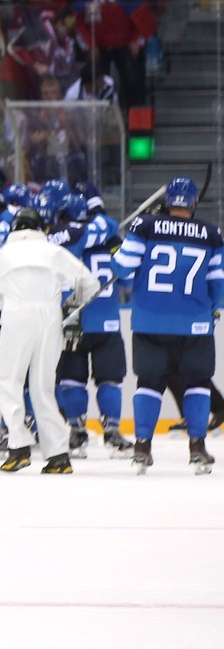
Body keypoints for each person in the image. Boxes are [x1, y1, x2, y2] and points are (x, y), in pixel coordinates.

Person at [112, 177, 222, 475]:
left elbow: (122, 268)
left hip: (150, 321)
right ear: (194, 203)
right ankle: (197, 447)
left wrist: (116, 252)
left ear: (169, 201)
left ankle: (142, 447)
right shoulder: (212, 233)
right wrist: (211, 312)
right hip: (195, 324)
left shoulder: (145, 225)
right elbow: (218, 283)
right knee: (198, 383)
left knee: (149, 384)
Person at [0, 207, 101, 474]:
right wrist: (72, 303)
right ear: (40, 229)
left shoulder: (3, 255)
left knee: (10, 382)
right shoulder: (53, 251)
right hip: (50, 317)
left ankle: (19, 447)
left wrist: (9, 300)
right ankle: (58, 454)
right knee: (42, 387)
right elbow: (90, 283)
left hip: (16, 315)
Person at [52, 189, 133, 455]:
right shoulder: (110, 237)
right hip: (107, 321)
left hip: (73, 322)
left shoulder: (58, 240)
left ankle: (77, 434)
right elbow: (127, 279)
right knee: (109, 380)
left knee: (71, 380)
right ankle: (112, 433)